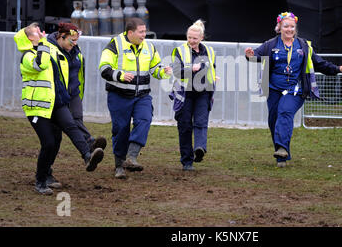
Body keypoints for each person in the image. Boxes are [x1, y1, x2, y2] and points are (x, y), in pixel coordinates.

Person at [245, 12, 342, 168]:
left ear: (295, 29)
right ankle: (281, 155)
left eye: (292, 27)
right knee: (274, 120)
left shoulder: (303, 45)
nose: (289, 29)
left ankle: (282, 148)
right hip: (274, 89)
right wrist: (250, 55)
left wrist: (336, 69)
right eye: (286, 26)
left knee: (285, 112)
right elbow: (256, 56)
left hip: (295, 89)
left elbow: (318, 63)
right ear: (279, 28)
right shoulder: (270, 44)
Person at [14, 23, 105, 195]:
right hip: (37, 108)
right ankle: (41, 180)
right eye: (36, 32)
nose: (42, 34)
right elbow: (39, 65)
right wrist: (43, 44)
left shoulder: (47, 49)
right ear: (29, 38)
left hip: (56, 102)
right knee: (48, 143)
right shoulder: (27, 56)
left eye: (41, 31)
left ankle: (87, 156)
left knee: (70, 126)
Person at [99, 18, 172, 179]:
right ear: (130, 32)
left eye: (145, 31)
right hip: (119, 96)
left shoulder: (149, 46)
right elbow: (104, 69)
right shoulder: (115, 44)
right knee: (121, 129)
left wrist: (163, 72)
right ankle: (119, 165)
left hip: (142, 96)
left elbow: (154, 69)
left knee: (145, 120)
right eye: (141, 32)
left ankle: (131, 157)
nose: (144, 35)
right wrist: (121, 76)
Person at [47, 22, 107, 153]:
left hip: (74, 93)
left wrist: (78, 93)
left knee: (77, 120)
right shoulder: (48, 50)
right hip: (57, 96)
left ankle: (89, 148)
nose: (74, 43)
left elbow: (79, 74)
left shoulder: (76, 52)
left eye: (76, 40)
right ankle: (89, 144)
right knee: (59, 133)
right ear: (61, 36)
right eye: (72, 40)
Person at [169, 19, 217, 171]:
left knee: (201, 122)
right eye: (189, 37)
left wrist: (214, 77)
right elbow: (176, 71)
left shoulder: (209, 51)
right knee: (185, 126)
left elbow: (211, 67)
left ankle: (200, 149)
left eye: (195, 38)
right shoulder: (179, 50)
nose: (191, 41)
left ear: (201, 38)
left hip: (203, 92)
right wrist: (191, 68)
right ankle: (187, 161)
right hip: (185, 93)